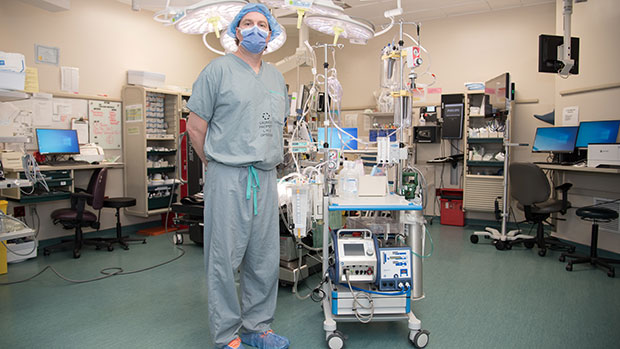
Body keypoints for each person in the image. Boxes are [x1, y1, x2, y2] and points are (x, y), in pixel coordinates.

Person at [186, 3, 289, 349]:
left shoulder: (276, 78)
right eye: (248, 23)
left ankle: (257, 327)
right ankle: (228, 335)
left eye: (263, 24)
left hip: (266, 176)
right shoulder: (217, 70)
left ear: (271, 34)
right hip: (227, 176)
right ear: (236, 32)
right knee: (223, 259)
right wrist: (213, 164)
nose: (256, 29)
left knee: (263, 258)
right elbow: (195, 127)